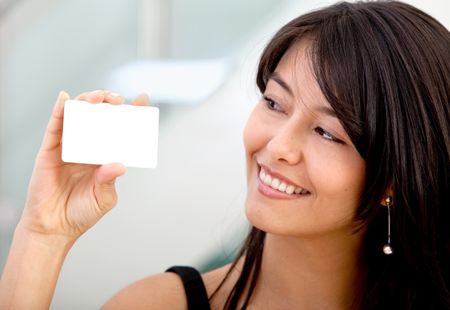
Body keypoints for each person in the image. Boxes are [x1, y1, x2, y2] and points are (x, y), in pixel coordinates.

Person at [1, 1, 449, 309]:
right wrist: (43, 235)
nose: (277, 147)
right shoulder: (156, 305)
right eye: (274, 103)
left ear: (395, 174)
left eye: (328, 133)